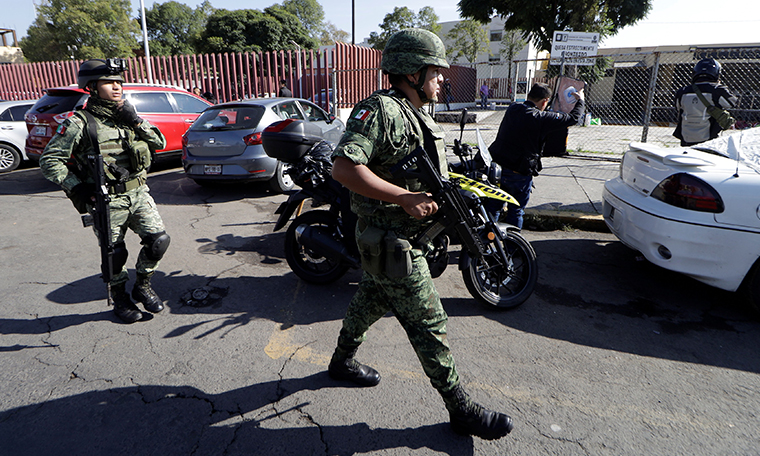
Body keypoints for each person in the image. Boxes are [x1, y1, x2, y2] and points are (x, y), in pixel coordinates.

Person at [326, 28, 514, 441]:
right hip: (393, 241)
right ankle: (461, 408)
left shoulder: (417, 113)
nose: (442, 78)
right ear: (411, 72)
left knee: (368, 302)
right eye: (435, 71)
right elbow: (343, 167)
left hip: (402, 239)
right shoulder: (380, 110)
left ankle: (341, 362)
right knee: (429, 323)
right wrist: (403, 199)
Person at [39, 59, 170, 324]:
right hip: (107, 199)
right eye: (109, 82)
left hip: (138, 193)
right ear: (91, 87)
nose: (117, 87)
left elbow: (160, 143)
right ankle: (120, 298)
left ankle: (142, 285)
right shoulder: (79, 123)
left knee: (158, 241)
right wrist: (78, 187)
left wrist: (135, 121)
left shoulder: (127, 116)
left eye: (119, 82)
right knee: (115, 253)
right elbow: (49, 160)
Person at [489, 82, 585, 229]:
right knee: (516, 211)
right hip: (519, 174)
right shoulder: (541, 117)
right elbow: (573, 118)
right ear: (545, 101)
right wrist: (581, 101)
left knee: (493, 209)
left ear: (529, 95)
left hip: (498, 170)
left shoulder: (513, 108)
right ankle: (512, 249)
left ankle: (485, 245)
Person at [673, 58, 738, 146]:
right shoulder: (717, 89)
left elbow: (678, 108)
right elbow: (732, 103)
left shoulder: (682, 91)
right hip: (708, 137)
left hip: (686, 136)